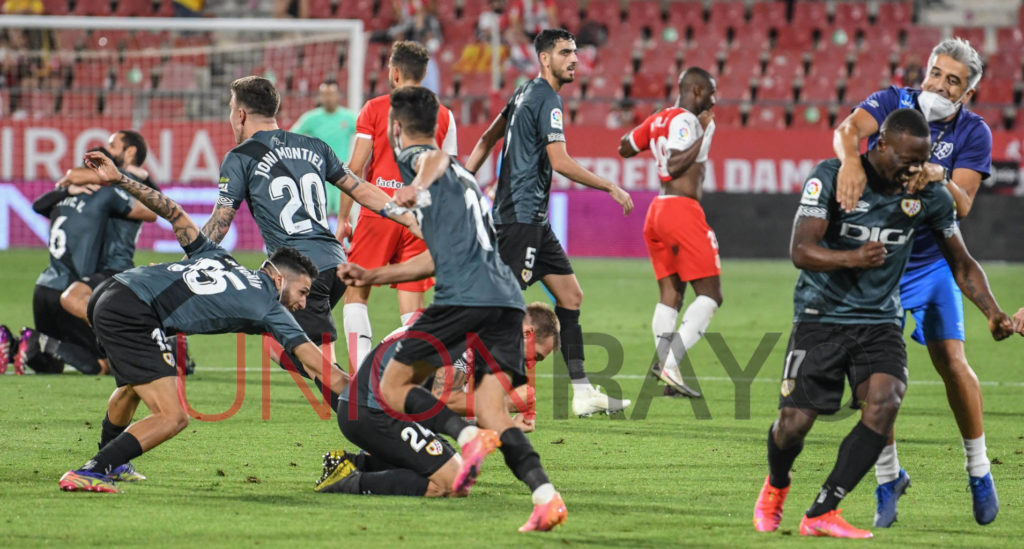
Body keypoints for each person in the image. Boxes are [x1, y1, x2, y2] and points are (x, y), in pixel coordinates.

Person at [753, 108, 1015, 538]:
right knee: (793, 426)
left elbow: (962, 262)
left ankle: (823, 511)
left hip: (879, 321)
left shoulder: (928, 195)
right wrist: (853, 258)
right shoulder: (832, 176)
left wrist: (992, 311)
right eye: (907, 161)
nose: (914, 171)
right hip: (821, 315)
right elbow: (801, 250)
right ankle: (777, 485)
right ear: (881, 145)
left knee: (885, 400)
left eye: (921, 161)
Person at [340, 86, 567, 531]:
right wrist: (373, 276)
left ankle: (466, 437)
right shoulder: (464, 177)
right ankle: (546, 497)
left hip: (465, 294)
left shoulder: (420, 159)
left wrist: (416, 185)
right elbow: (433, 258)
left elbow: (433, 159)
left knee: (392, 385)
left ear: (396, 128)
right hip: (507, 300)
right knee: (494, 411)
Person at [58, 151, 349, 493]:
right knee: (173, 417)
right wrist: (368, 397)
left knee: (134, 386)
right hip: (134, 310)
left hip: (113, 291)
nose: (302, 303)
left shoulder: (219, 256)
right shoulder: (270, 305)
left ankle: (112, 459)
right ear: (280, 279)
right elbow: (321, 369)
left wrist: (121, 180)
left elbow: (174, 212)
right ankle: (92, 470)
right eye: (302, 292)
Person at [833, 37, 1000, 526]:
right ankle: (889, 477)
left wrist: (937, 176)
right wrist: (850, 160)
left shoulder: (974, 131)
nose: (941, 85)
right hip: (879, 263)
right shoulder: (891, 101)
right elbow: (847, 129)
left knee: (952, 362)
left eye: (954, 81)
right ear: (925, 71)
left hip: (931, 262)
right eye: (937, 73)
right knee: (870, 378)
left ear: (967, 93)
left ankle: (979, 469)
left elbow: (962, 206)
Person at [199, 76, 412, 407]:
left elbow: (221, 221)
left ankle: (385, 413)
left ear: (240, 114)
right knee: (279, 347)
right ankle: (367, 401)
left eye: (230, 109)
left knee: (323, 373)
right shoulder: (314, 146)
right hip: (334, 263)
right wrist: (409, 218)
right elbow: (361, 189)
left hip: (300, 274)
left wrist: (186, 264)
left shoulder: (240, 156)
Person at [465, 28, 634, 418]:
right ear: (544, 58)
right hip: (519, 218)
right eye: (564, 52)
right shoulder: (547, 99)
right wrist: (609, 185)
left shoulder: (522, 92)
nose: (574, 59)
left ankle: (583, 393)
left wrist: (464, 177)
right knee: (502, 308)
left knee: (571, 296)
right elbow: (559, 161)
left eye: (574, 52)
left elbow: (487, 138)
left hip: (534, 221)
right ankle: (475, 394)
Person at [317, 300, 557, 498]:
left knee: (452, 466)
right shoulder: (473, 334)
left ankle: (355, 464)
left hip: (371, 408)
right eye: (536, 356)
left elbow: (441, 410)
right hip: (373, 411)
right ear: (527, 333)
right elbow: (446, 399)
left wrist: (504, 425)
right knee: (453, 483)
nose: (531, 365)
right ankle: (348, 480)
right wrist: (505, 404)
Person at [339, 40, 457, 370]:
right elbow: (449, 171)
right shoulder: (444, 114)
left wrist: (343, 218)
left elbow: (355, 168)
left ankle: (362, 375)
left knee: (357, 291)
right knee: (412, 302)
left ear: (393, 73)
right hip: (421, 214)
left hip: (379, 210)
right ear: (424, 74)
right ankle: (411, 375)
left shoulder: (375, 108)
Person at [5, 150, 155, 376]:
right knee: (100, 364)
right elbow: (152, 212)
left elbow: (37, 206)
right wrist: (136, 178)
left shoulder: (62, 197)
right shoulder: (106, 195)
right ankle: (36, 339)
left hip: (43, 287)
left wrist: (66, 189)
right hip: (67, 290)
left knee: (51, 365)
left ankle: (10, 344)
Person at [618, 67, 719, 399]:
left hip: (658, 211)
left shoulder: (661, 118)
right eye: (711, 93)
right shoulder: (686, 120)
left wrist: (650, 129)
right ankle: (669, 363)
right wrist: (703, 134)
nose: (714, 101)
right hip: (681, 211)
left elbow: (624, 147)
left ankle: (667, 369)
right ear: (697, 91)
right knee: (711, 295)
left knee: (672, 295)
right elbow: (675, 165)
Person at [290, 79, 358, 222]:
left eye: (331, 94)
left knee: (346, 218)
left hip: (343, 174)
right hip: (319, 175)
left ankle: (348, 238)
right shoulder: (311, 118)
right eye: (324, 94)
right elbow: (291, 137)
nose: (328, 98)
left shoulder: (349, 117)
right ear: (320, 96)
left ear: (338, 95)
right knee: (318, 217)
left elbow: (365, 135)